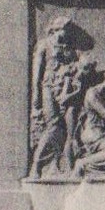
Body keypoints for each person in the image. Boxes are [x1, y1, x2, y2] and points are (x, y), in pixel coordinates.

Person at [30, 17, 84, 177]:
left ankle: (63, 166)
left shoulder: (71, 49)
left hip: (67, 91)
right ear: (55, 29)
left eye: (67, 30)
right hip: (49, 89)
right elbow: (37, 73)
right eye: (62, 29)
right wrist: (36, 98)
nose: (65, 33)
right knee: (53, 126)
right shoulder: (44, 45)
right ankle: (37, 166)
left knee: (69, 131)